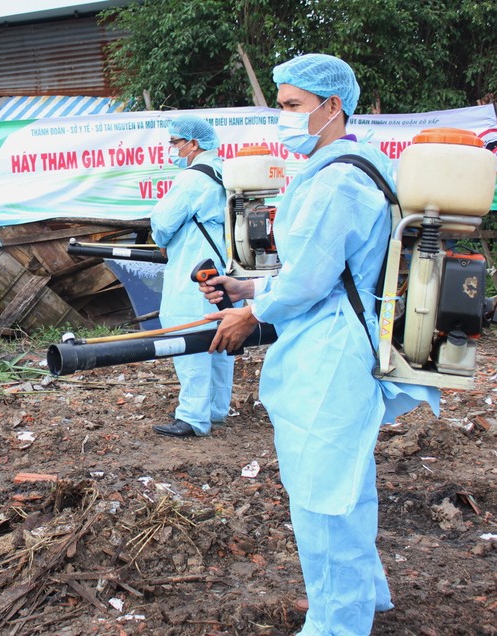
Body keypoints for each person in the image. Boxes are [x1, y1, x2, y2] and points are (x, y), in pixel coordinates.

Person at [200, 54, 439, 635]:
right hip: (336, 339)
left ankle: (337, 624)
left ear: (333, 106)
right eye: (279, 105)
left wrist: (250, 312)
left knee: (321, 492)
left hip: (331, 353)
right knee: (345, 481)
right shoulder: (355, 166)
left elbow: (307, 282)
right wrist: (244, 284)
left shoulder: (338, 179)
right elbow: (323, 270)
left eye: (291, 106)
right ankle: (365, 595)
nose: (281, 117)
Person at [149, 114, 234, 438]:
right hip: (224, 266)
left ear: (193, 144)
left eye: (175, 142)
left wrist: (161, 239)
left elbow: (164, 222)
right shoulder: (225, 171)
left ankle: (193, 417)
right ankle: (216, 409)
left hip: (194, 266)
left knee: (189, 336)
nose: (172, 148)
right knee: (221, 336)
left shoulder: (192, 178)